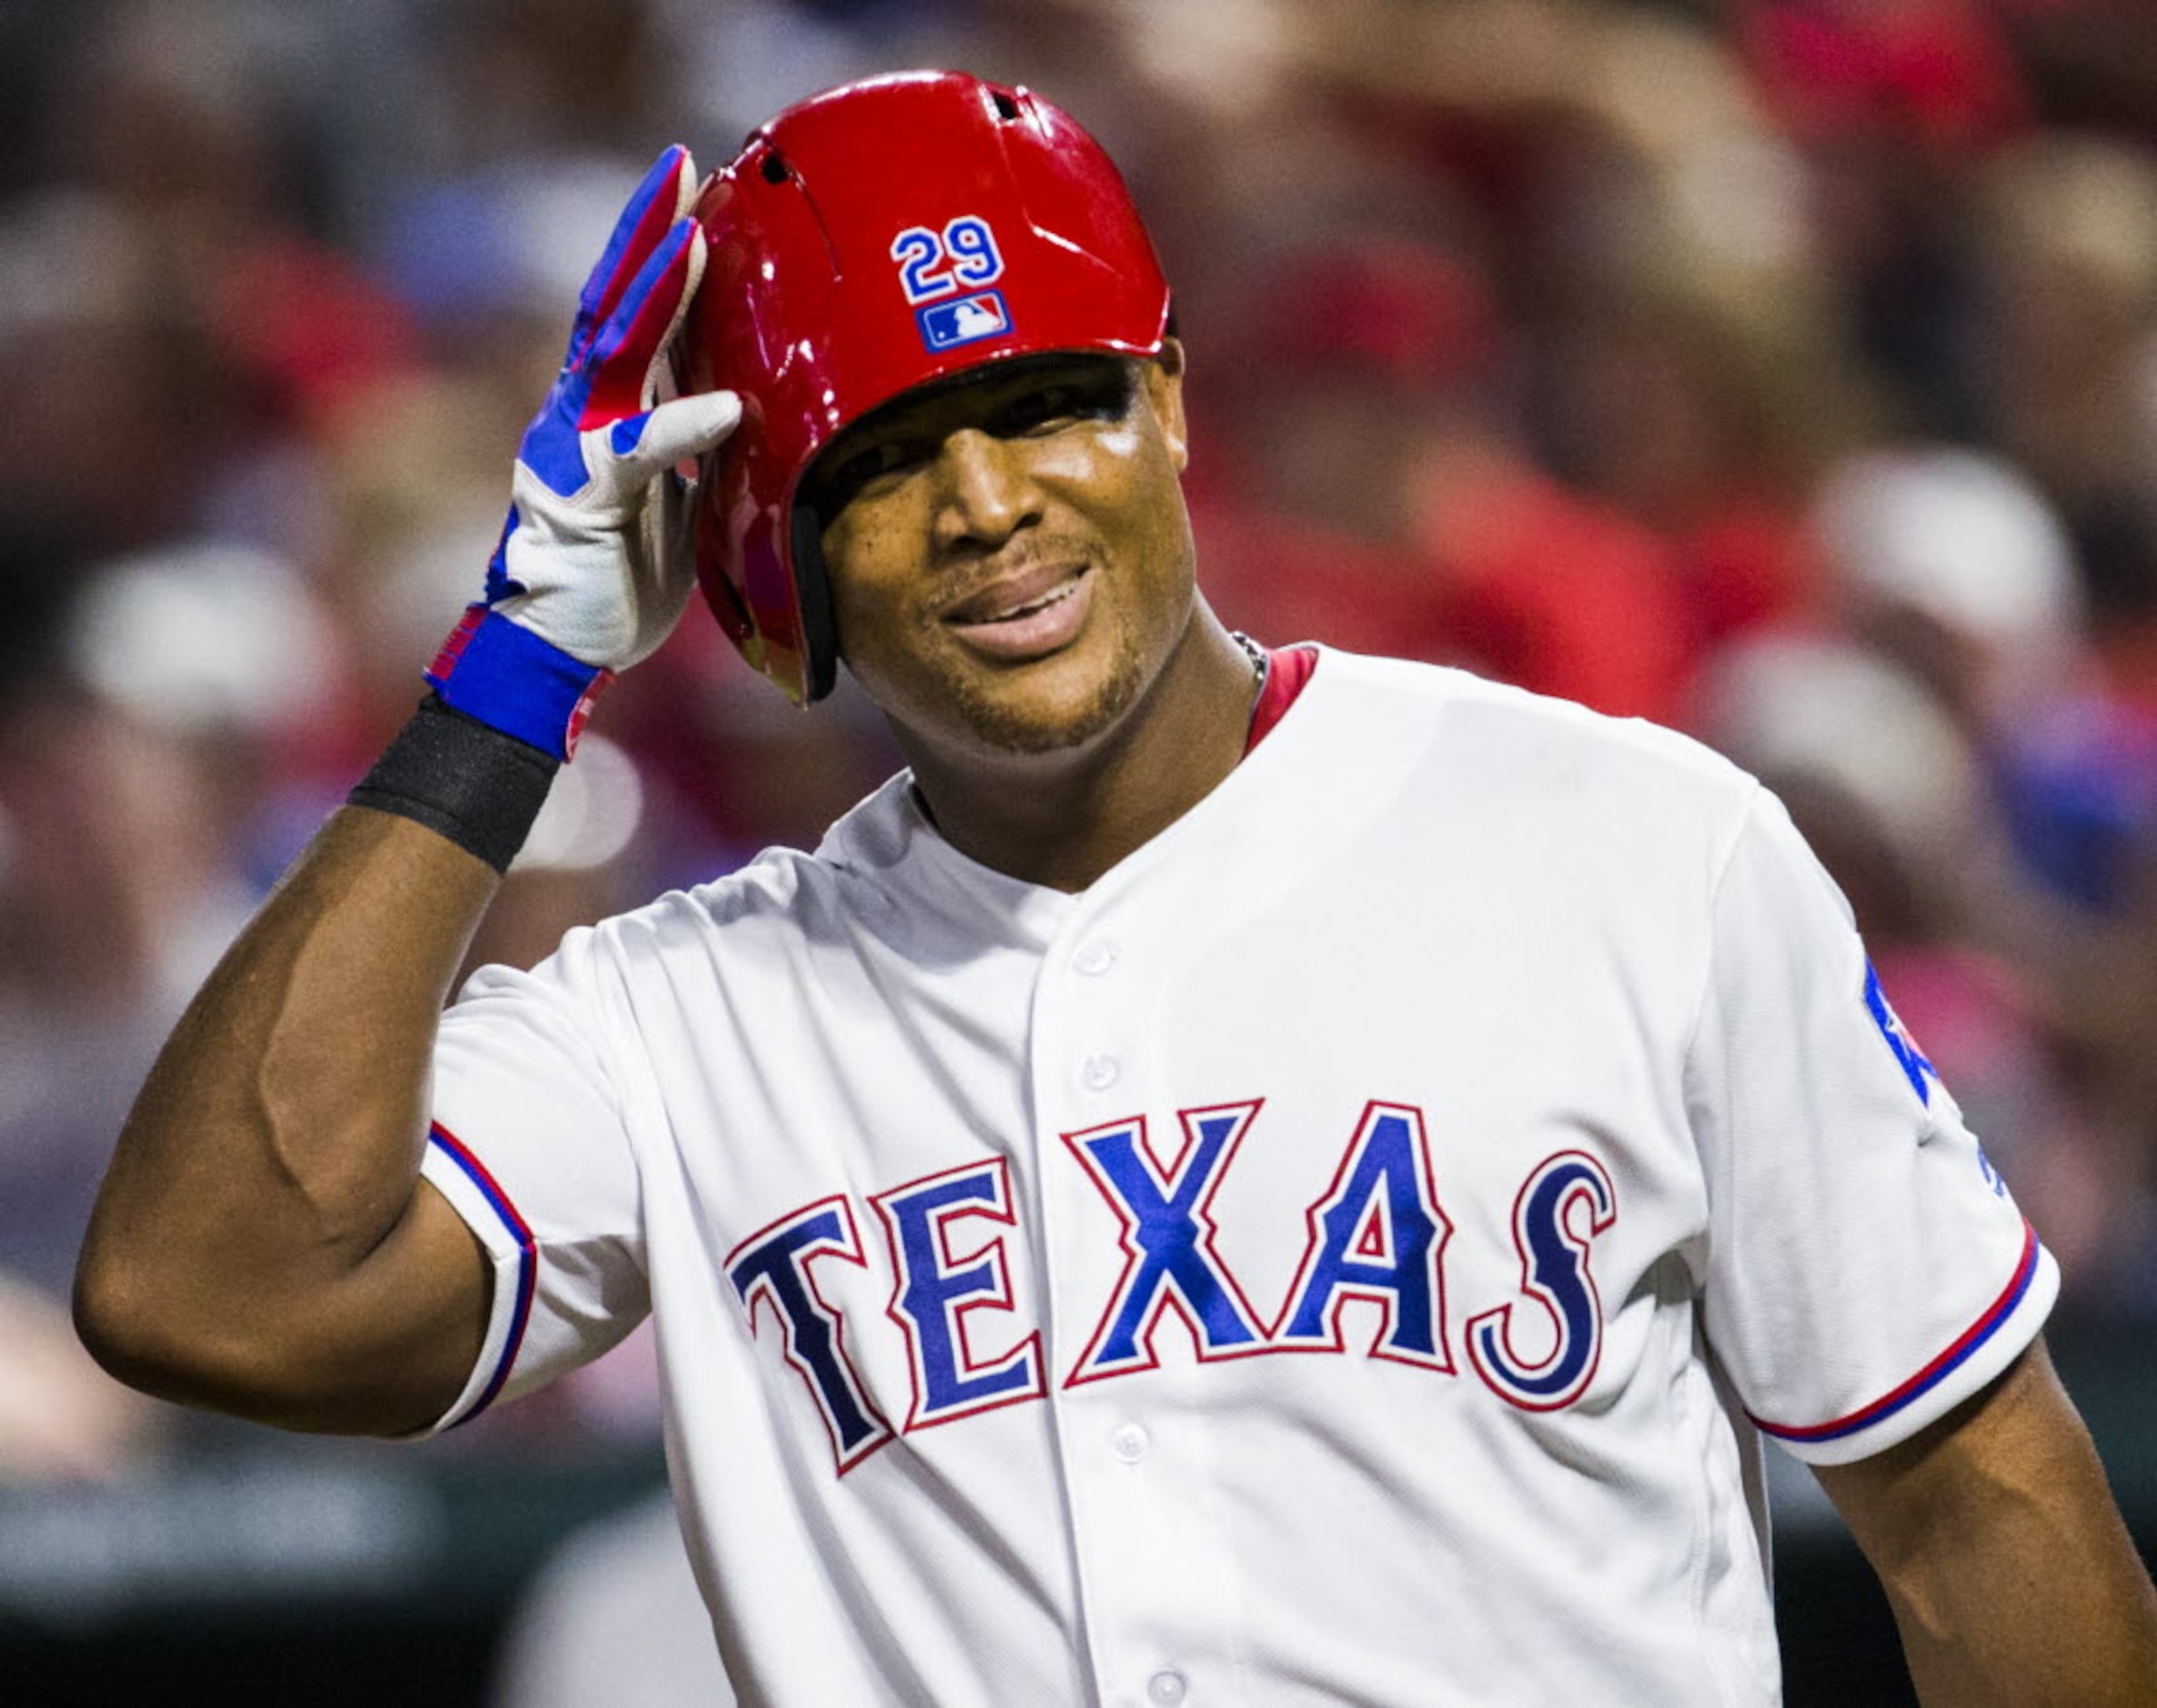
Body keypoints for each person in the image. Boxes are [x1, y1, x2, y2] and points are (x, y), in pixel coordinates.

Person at [75, 70, 2157, 1704]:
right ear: (767, 552)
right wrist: (514, 672)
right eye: (886, 455)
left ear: (1164, 408)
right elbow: (206, 1285)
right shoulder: (676, 1019)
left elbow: (1977, 1508)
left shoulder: (1628, 843)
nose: (989, 505)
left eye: (1043, 404)